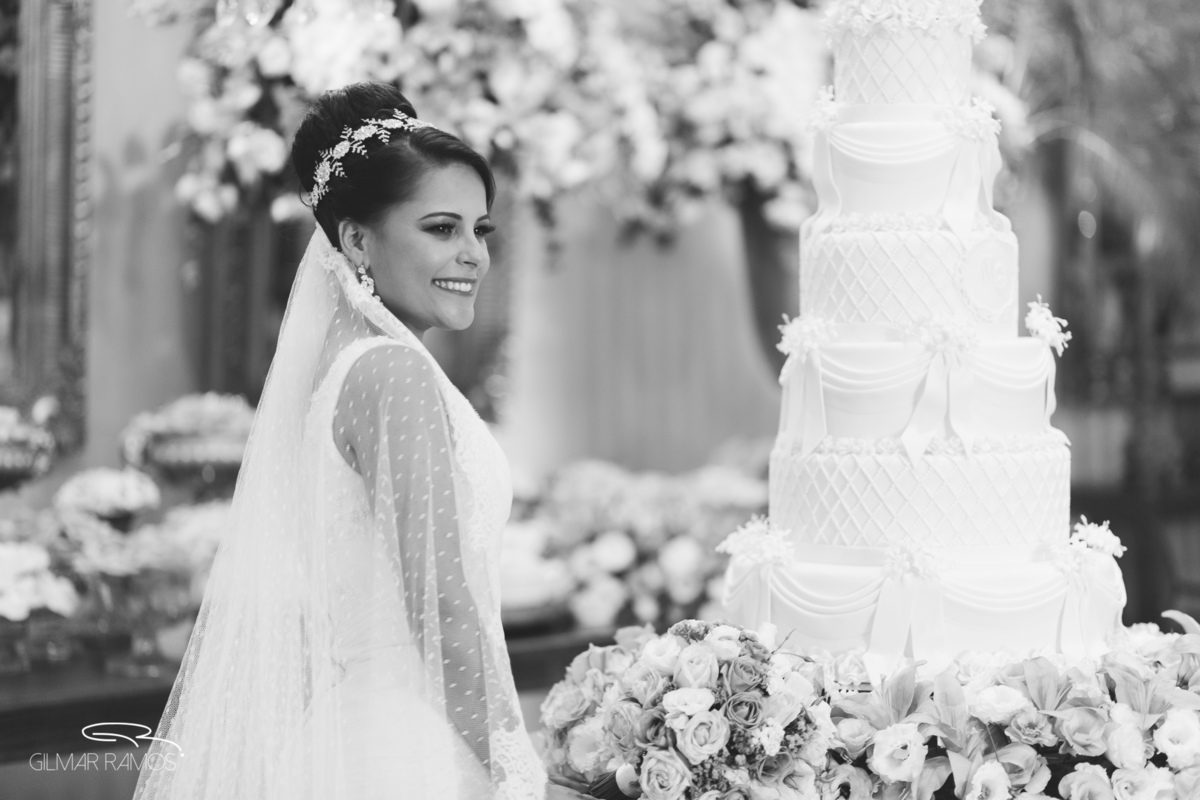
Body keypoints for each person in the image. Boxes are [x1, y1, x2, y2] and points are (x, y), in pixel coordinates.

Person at [130, 82, 592, 800]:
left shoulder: (342, 366)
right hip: (413, 755)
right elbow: (443, 610)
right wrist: (522, 776)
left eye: (480, 230)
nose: (473, 255)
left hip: (364, 735)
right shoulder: (390, 373)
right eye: (441, 229)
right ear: (355, 240)